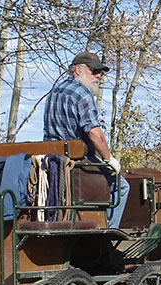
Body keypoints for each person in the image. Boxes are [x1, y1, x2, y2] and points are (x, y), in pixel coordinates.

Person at [43, 51, 129, 228]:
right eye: (94, 71)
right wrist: (109, 159)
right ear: (78, 69)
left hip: (50, 161)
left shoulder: (54, 91)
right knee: (122, 187)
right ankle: (108, 234)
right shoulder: (82, 94)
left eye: (100, 72)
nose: (98, 76)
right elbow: (94, 133)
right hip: (76, 162)